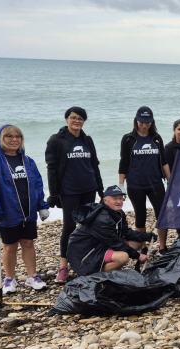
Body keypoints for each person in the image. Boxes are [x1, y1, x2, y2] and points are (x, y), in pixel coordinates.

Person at [0, 124, 49, 293]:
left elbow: (37, 184)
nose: (14, 140)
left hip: (28, 212)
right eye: (9, 136)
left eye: (18, 137)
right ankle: (9, 279)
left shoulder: (28, 161)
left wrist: (42, 206)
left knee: (28, 243)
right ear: (1, 139)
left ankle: (32, 276)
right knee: (9, 246)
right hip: (7, 213)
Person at [45, 106, 104, 283]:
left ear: (84, 121)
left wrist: (101, 190)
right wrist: (54, 193)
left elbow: (94, 165)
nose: (76, 121)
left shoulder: (88, 140)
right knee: (69, 227)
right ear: (67, 119)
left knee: (87, 226)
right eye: (73, 117)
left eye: (80, 118)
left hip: (89, 189)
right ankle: (63, 267)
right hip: (69, 191)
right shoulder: (57, 140)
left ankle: (85, 262)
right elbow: (52, 168)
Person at [67, 186, 156, 276]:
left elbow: (126, 232)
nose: (119, 201)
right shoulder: (102, 219)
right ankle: (95, 275)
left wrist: (146, 236)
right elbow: (116, 243)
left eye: (121, 198)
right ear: (105, 200)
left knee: (138, 243)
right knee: (123, 257)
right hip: (86, 254)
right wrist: (138, 256)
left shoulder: (118, 213)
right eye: (115, 198)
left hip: (103, 245)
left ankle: (111, 268)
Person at [118, 106, 170, 252]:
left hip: (155, 183)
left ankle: (162, 246)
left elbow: (164, 161)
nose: (144, 125)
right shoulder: (128, 139)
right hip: (135, 185)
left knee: (162, 215)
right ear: (136, 121)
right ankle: (143, 246)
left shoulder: (156, 138)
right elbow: (124, 162)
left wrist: (170, 180)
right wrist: (121, 185)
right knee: (140, 217)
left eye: (147, 122)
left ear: (152, 122)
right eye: (141, 122)